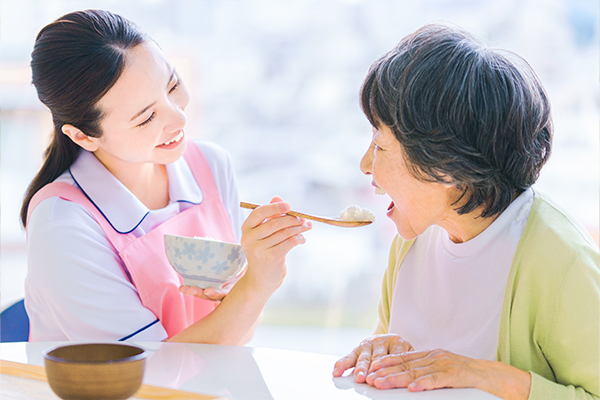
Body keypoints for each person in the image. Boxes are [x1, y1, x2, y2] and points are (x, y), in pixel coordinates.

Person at [332, 24, 599, 400]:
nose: (365, 165)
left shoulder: (561, 262)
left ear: (445, 165)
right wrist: (381, 355)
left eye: (380, 146)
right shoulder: (412, 241)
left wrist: (490, 377)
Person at [21, 9, 312, 343]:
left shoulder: (210, 165)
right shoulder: (62, 224)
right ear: (84, 136)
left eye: (173, 86)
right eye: (146, 118)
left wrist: (255, 278)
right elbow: (143, 372)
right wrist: (258, 283)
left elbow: (238, 327)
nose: (178, 119)